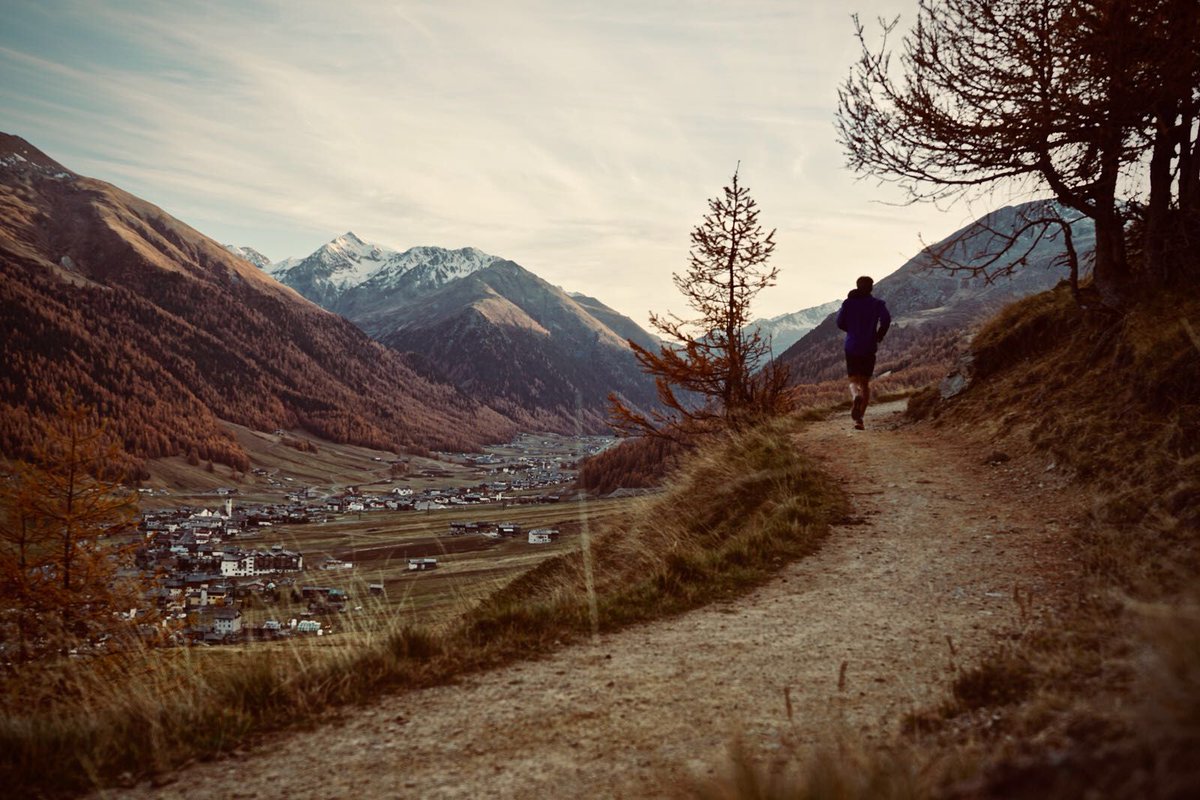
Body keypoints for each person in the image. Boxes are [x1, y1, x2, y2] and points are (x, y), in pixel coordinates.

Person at [835, 276, 891, 430]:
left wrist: (852, 330)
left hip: (852, 345)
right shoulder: (877, 304)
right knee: (865, 383)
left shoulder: (848, 303)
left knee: (853, 379)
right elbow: (886, 320)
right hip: (869, 346)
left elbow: (839, 322)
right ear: (871, 287)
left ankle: (855, 396)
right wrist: (879, 335)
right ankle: (859, 420)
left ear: (857, 286)